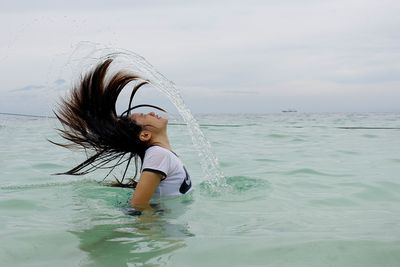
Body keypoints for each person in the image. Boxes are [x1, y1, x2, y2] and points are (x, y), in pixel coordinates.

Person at [52, 58, 192, 212]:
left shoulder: (161, 154)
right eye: (145, 116)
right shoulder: (159, 154)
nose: (151, 112)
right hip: (158, 228)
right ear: (145, 135)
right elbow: (138, 205)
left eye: (145, 114)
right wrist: (153, 233)